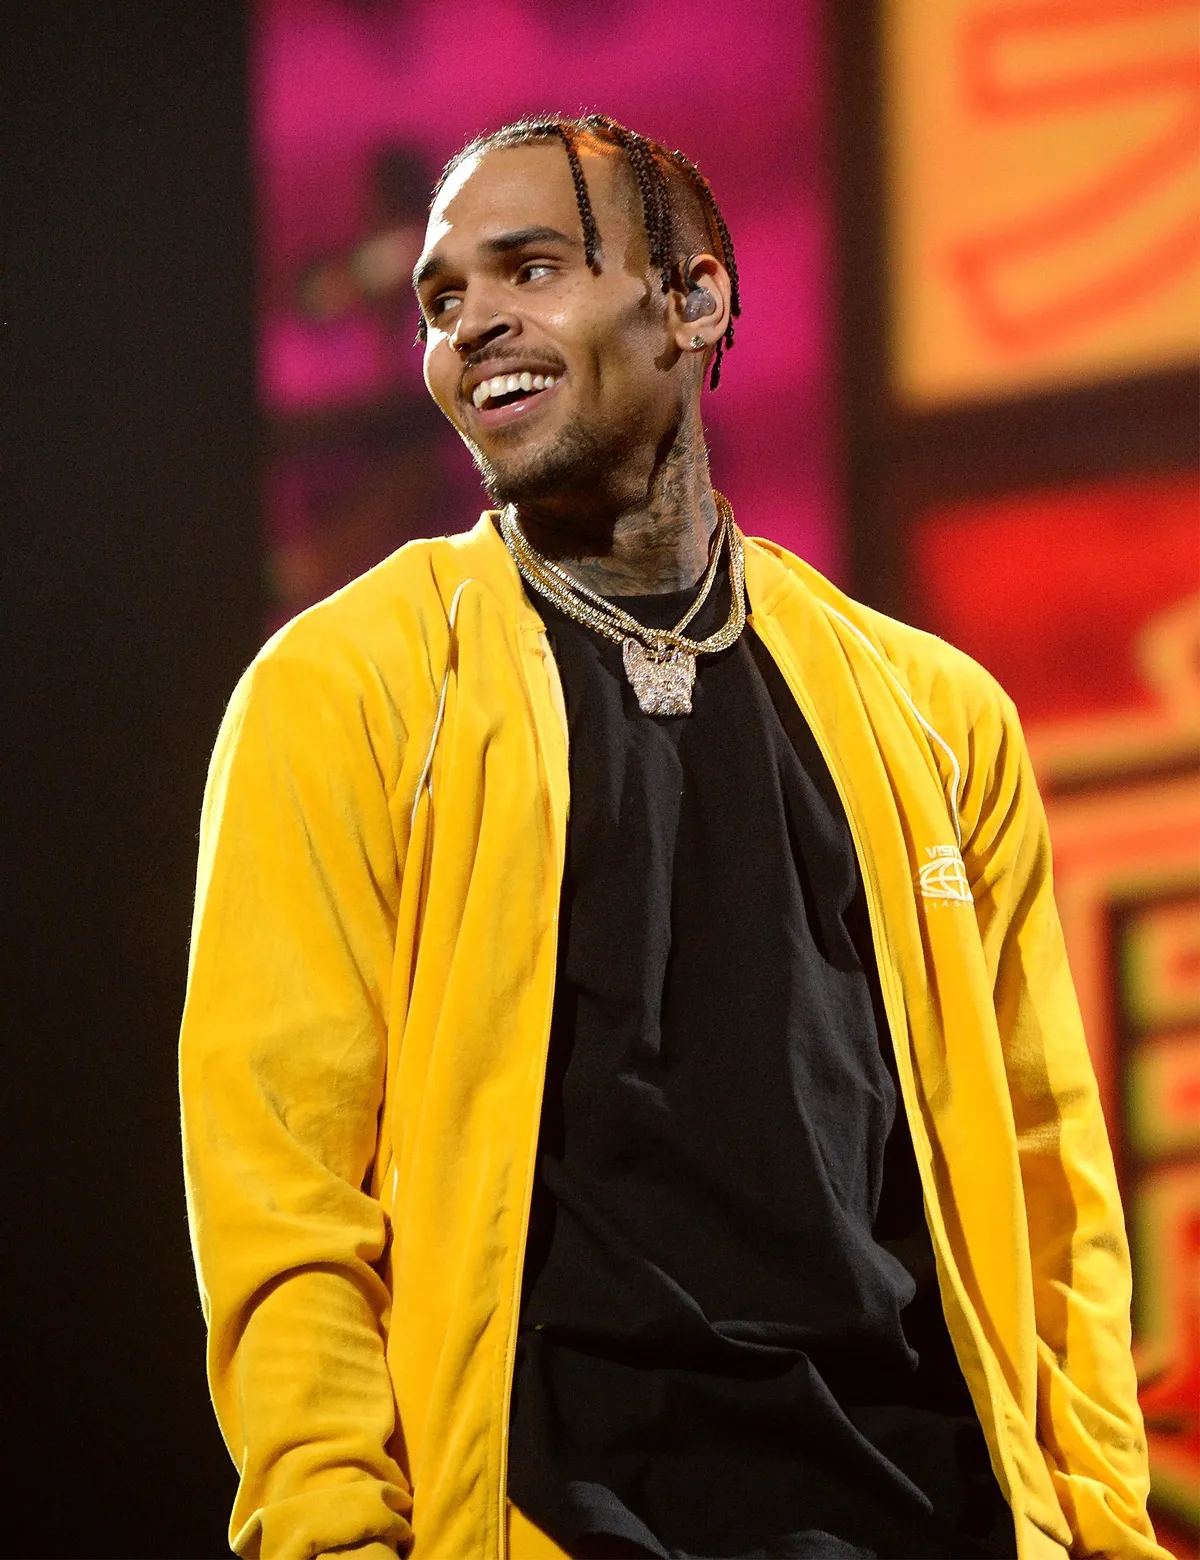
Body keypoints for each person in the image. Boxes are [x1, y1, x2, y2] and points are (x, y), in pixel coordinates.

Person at [179, 115, 1166, 1560]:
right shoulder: (346, 695)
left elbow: (1050, 1182)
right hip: (560, 1520)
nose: (476, 327)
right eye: (445, 299)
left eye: (531, 267)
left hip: (920, 1513)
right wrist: (331, 1530)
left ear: (693, 301)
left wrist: (1107, 1530)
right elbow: (284, 1188)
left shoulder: (933, 714)